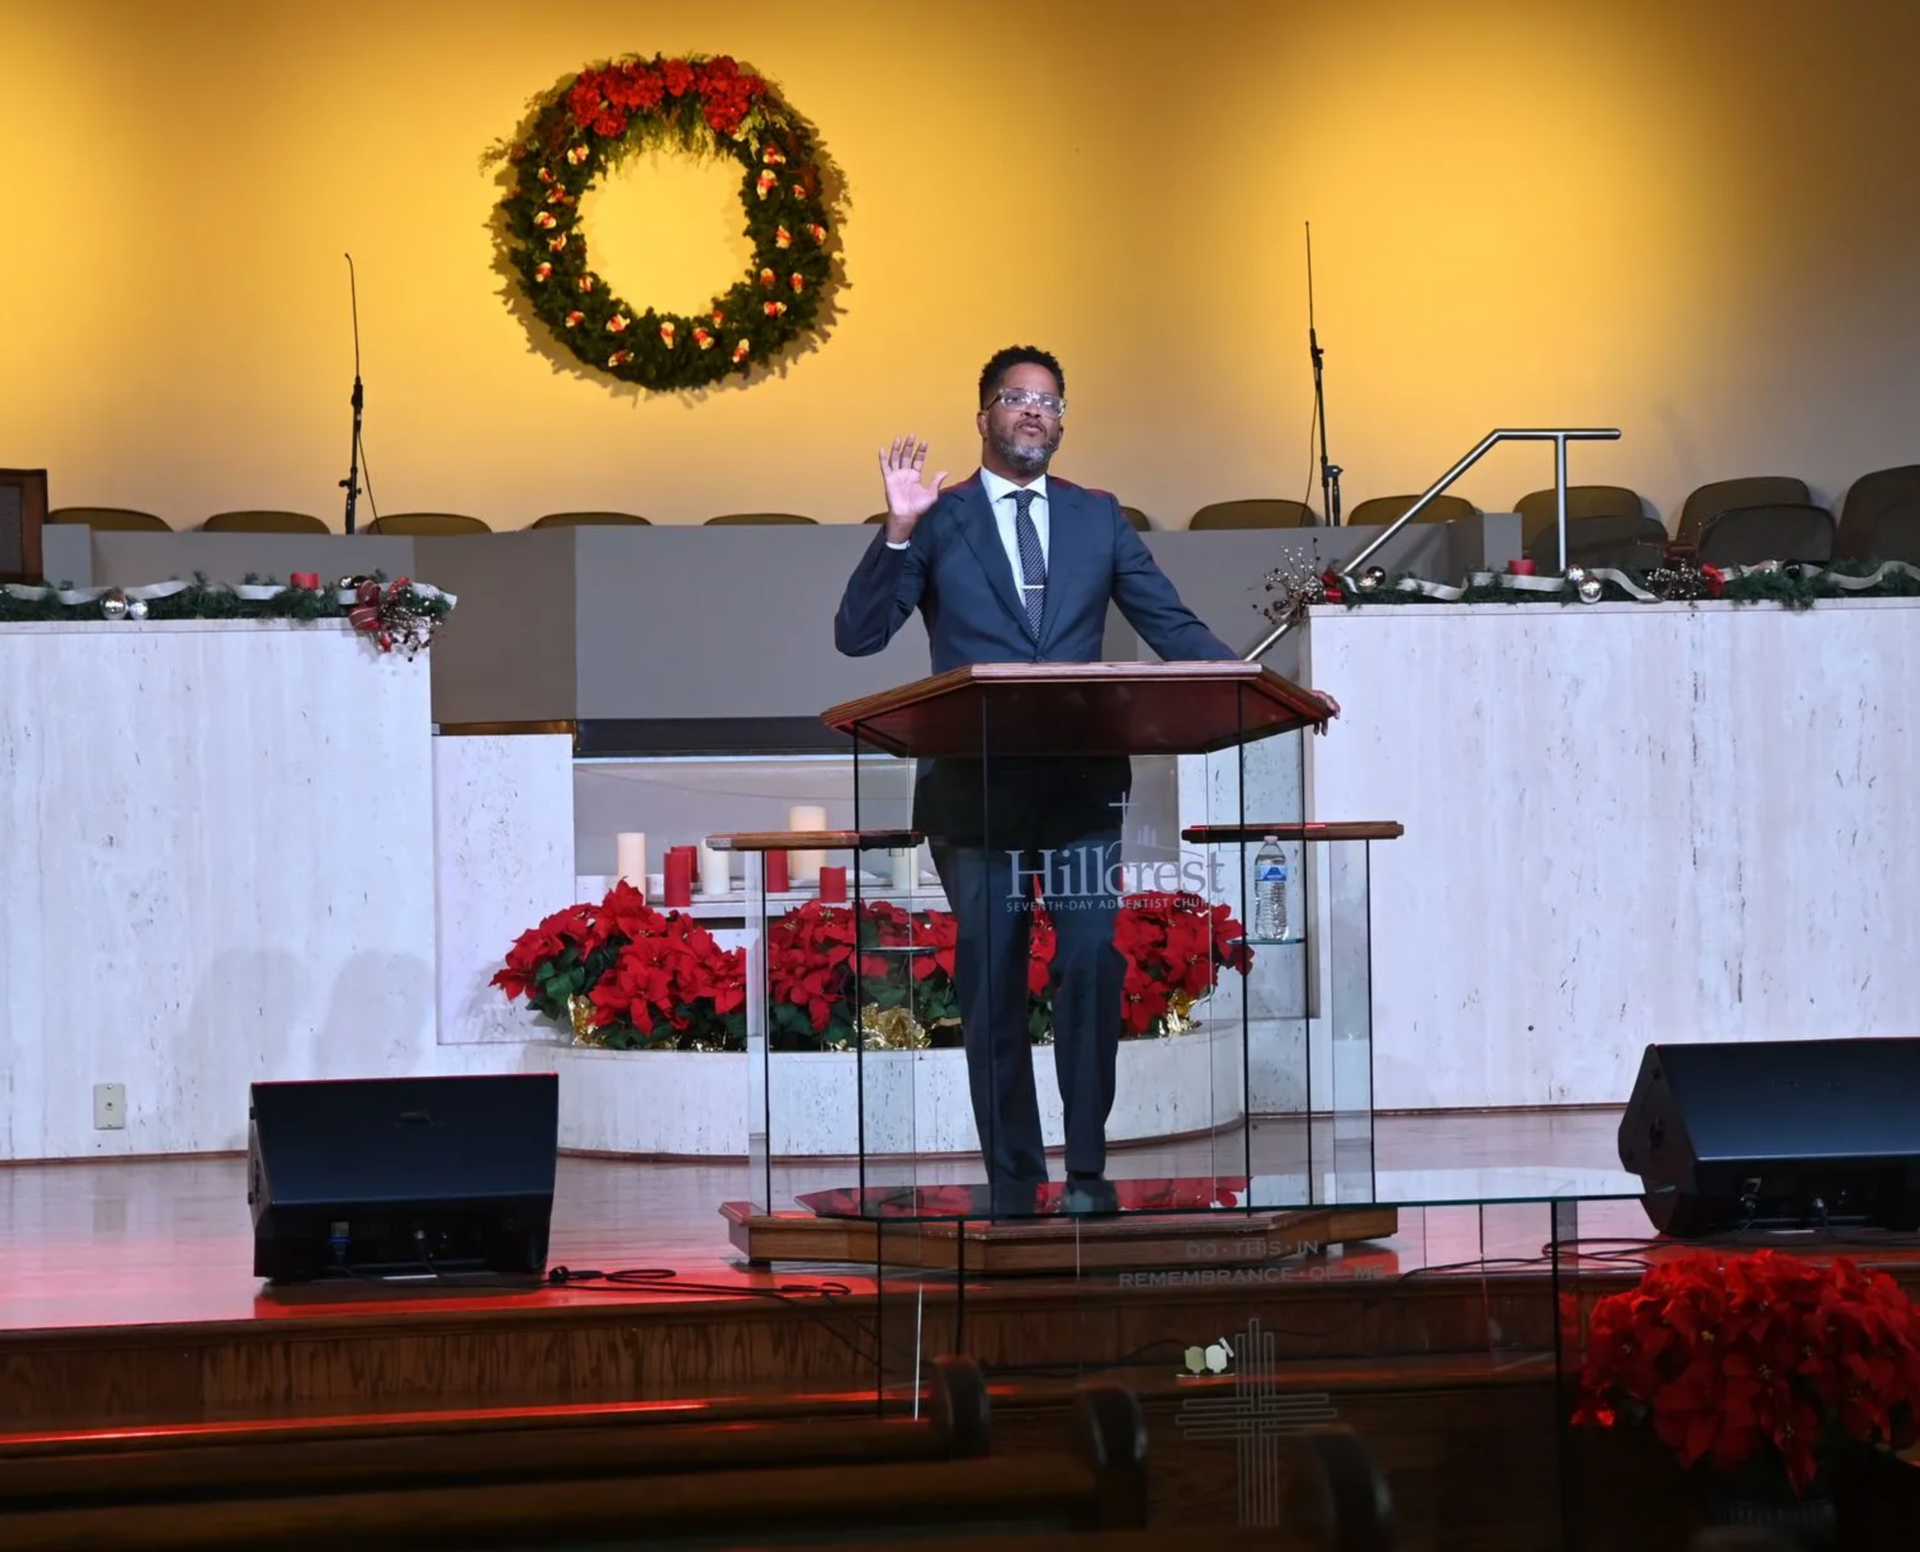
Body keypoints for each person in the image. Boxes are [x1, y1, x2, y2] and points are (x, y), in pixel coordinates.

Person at [834, 345, 1237, 1214]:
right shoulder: (938, 518)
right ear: (983, 415)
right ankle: (1016, 1179)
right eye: (1016, 398)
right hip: (974, 796)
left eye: (1049, 402)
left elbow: (1171, 624)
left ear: (1060, 422)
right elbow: (859, 636)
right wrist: (897, 529)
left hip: (1080, 792)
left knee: (1090, 961)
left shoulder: (1098, 517)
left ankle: (1086, 1165)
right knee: (993, 979)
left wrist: (1253, 686)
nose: (1033, 411)